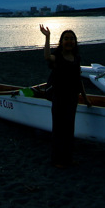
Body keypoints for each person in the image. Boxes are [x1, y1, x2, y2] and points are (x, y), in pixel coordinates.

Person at [40, 25, 91, 168]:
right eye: (66, 39)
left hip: (72, 98)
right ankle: (56, 160)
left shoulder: (76, 58)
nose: (69, 41)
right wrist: (47, 37)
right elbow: (46, 56)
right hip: (59, 98)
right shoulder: (57, 57)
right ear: (61, 42)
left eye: (72, 39)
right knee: (58, 130)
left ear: (75, 42)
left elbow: (78, 80)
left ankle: (68, 159)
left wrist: (85, 98)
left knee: (69, 130)